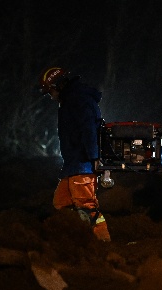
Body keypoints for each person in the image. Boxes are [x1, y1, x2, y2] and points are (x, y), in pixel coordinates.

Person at [38, 66, 111, 242]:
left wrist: (94, 158)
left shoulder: (78, 99)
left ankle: (103, 245)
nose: (51, 95)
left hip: (82, 163)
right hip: (73, 164)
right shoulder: (72, 99)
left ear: (59, 85)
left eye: (51, 91)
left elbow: (88, 130)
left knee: (87, 207)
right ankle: (73, 242)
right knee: (62, 203)